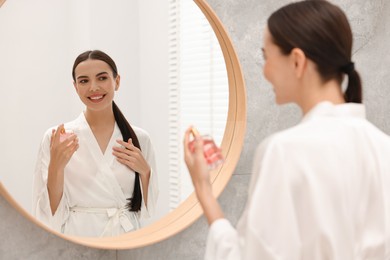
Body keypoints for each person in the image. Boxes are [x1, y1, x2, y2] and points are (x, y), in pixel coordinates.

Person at [184, 1, 390, 259]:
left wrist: (203, 188)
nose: (264, 70)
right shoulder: (383, 149)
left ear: (296, 61)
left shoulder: (284, 152)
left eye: (266, 56)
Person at [33, 50, 158, 237]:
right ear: (75, 87)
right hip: (79, 238)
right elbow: (48, 214)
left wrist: (145, 172)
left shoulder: (140, 138)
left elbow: (149, 210)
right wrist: (56, 168)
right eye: (84, 81)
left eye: (102, 78)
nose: (93, 87)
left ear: (117, 81)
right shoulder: (57, 138)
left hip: (126, 237)